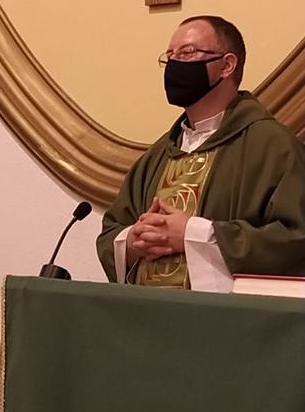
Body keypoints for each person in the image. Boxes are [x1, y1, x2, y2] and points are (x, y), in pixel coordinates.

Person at [97, 15, 305, 291]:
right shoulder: (158, 156)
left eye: (187, 53)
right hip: (147, 318)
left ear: (227, 65)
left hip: (224, 324)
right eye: (170, 56)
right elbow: (112, 231)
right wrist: (134, 240)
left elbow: (295, 238)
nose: (174, 64)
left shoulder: (273, 146)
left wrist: (193, 234)